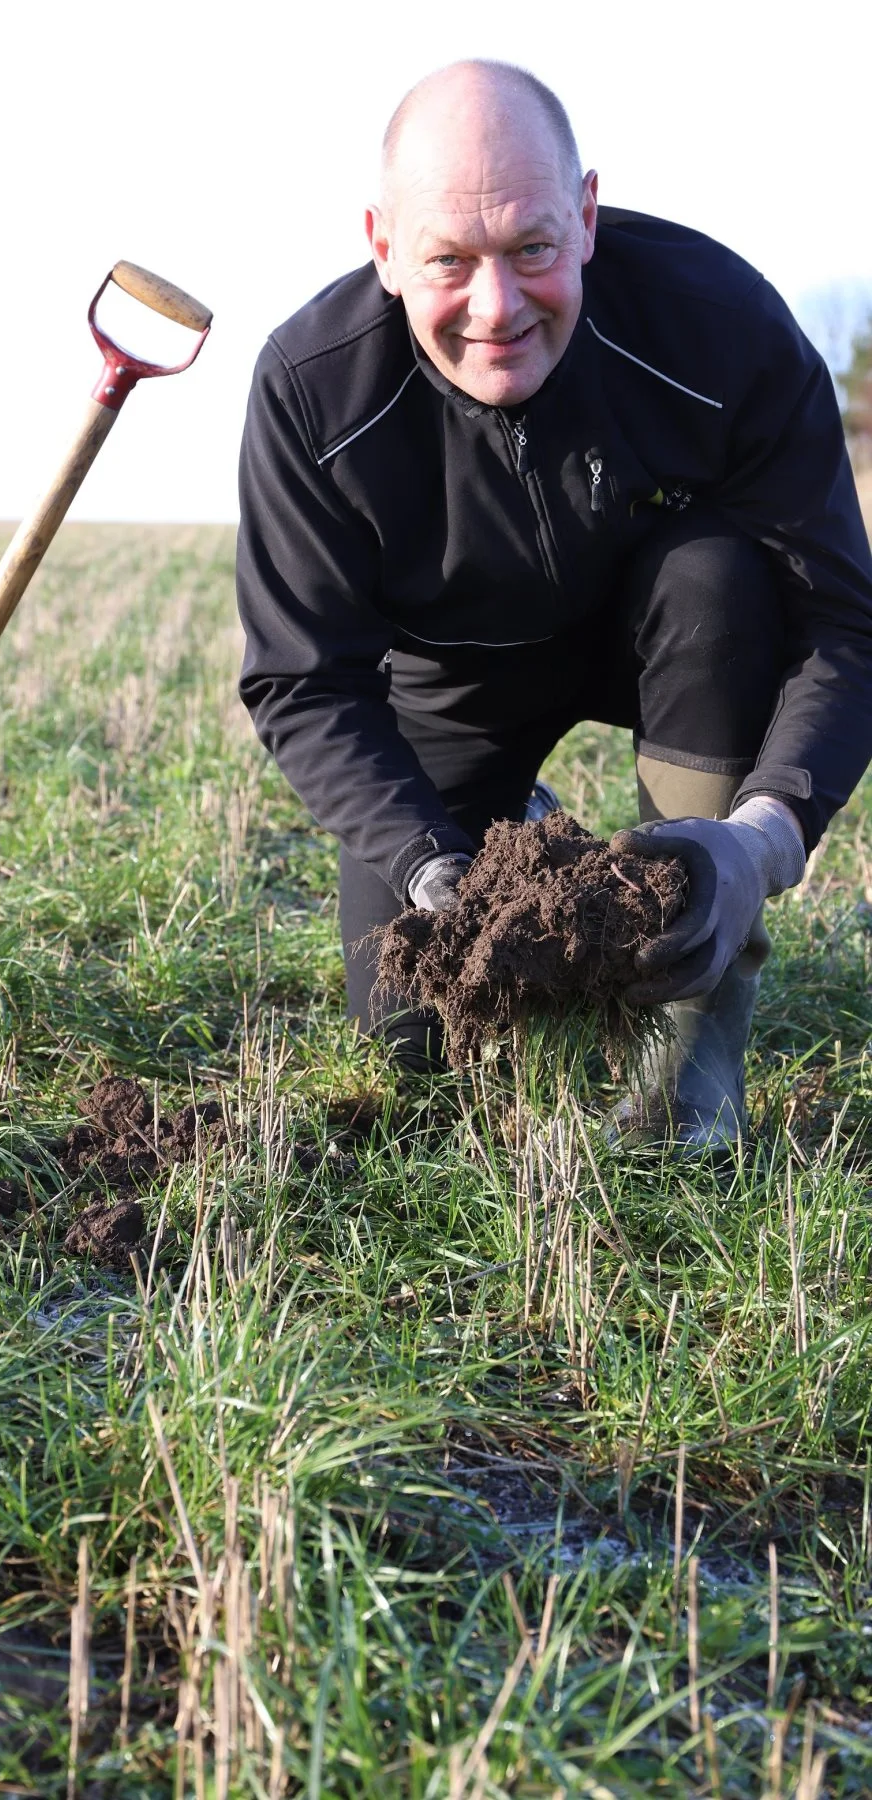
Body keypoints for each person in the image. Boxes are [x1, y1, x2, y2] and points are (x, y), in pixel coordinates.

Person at [235, 59, 872, 1149]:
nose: (497, 308)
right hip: (457, 687)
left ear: (583, 218)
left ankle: (689, 1046)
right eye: (449, 261)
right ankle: (518, 840)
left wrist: (758, 845)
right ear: (383, 248)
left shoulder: (717, 327)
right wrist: (436, 869)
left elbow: (843, 626)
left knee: (717, 577)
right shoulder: (312, 390)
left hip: (676, 640)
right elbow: (304, 680)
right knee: (408, 1035)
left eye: (532, 247)